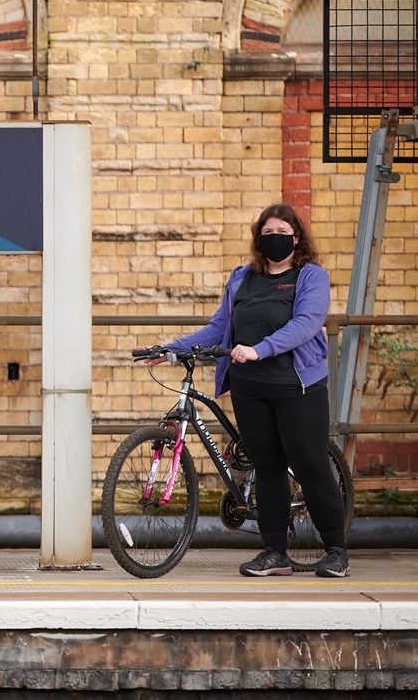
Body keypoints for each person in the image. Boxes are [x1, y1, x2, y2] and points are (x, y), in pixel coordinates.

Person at [154, 202, 349, 578]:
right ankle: (275, 552)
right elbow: (219, 328)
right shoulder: (242, 278)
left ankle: (336, 550)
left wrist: (260, 348)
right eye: (268, 234)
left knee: (310, 465)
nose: (275, 240)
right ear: (258, 239)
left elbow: (307, 323)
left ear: (297, 238)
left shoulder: (310, 276)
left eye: (283, 234)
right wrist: (171, 348)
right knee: (268, 467)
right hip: (249, 388)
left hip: (297, 386)